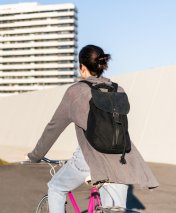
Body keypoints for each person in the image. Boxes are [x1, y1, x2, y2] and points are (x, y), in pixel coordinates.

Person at [27, 44, 159, 212]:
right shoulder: (119, 90)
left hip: (89, 158)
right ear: (102, 65)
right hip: (121, 160)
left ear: (82, 67)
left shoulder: (75, 91)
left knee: (56, 188)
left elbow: (53, 128)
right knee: (115, 209)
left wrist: (35, 156)